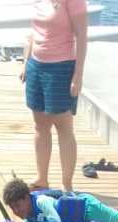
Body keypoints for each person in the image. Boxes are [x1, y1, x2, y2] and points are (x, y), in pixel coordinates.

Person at [21, 0, 88, 193]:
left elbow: (82, 36)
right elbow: (33, 32)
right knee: (40, 126)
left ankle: (67, 184)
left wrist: (78, 75)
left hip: (61, 67)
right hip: (36, 65)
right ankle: (42, 179)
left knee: (63, 127)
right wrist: (25, 62)